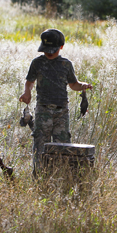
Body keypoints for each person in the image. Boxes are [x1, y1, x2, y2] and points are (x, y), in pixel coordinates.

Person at [19, 28, 93, 174]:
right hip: (43, 109)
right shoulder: (37, 63)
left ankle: (61, 175)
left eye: (53, 49)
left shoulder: (66, 64)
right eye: (46, 49)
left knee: (63, 145)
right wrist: (27, 93)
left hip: (61, 111)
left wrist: (83, 86)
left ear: (61, 47)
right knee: (40, 144)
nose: (49, 53)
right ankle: (39, 175)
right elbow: (29, 82)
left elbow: (73, 84)